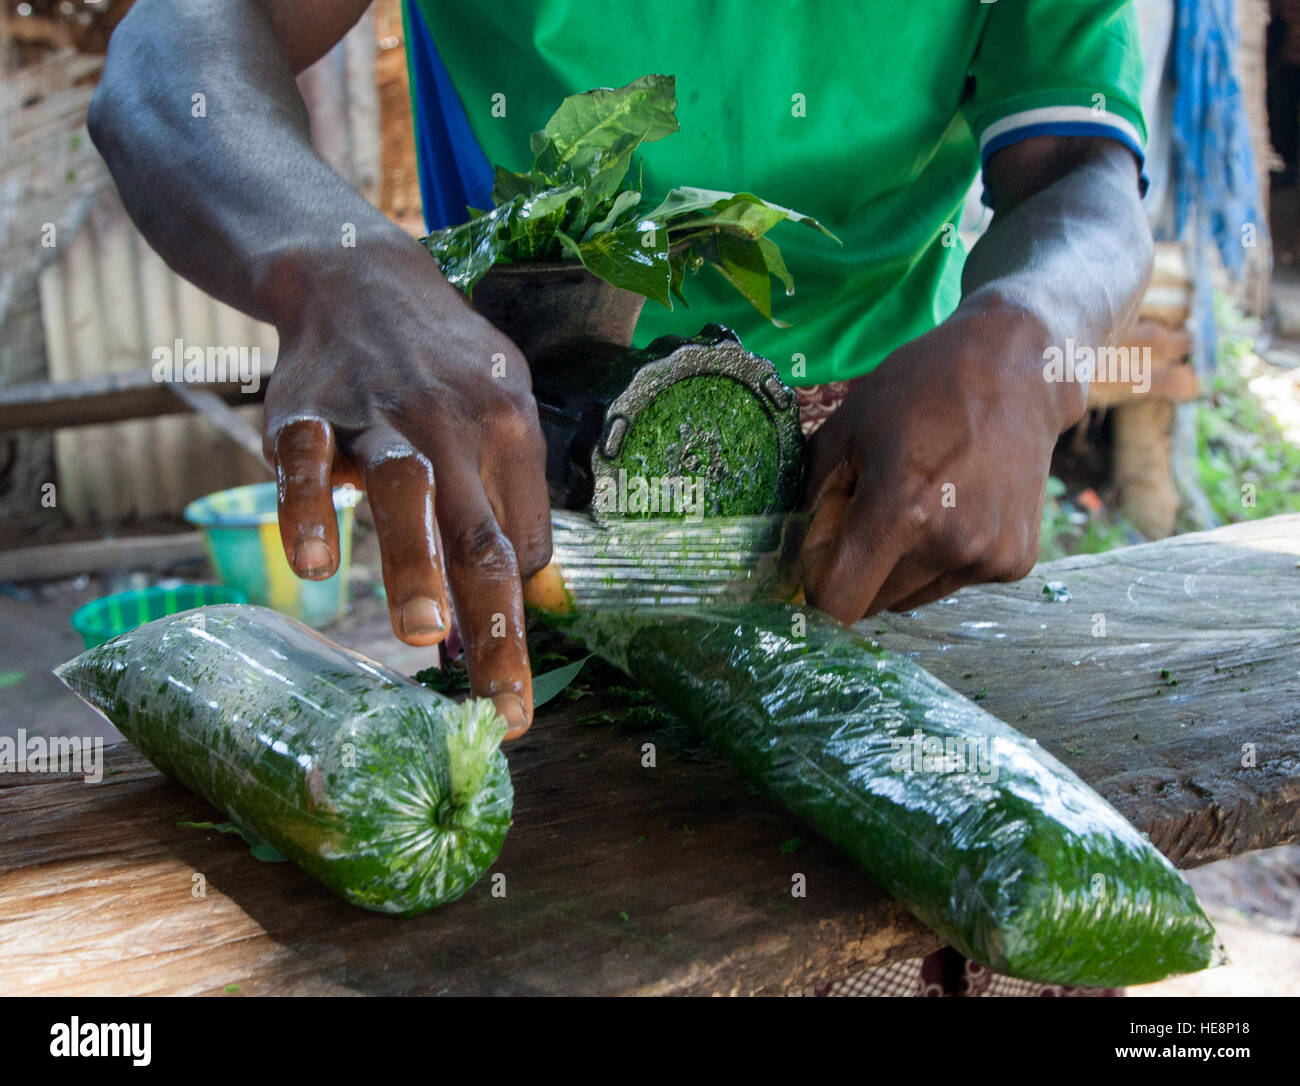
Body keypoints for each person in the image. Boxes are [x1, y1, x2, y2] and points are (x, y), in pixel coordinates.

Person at [87, 0, 1149, 739]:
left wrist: (1025, 336)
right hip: (541, 521)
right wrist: (337, 271)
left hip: (893, 506)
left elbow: (1077, 166)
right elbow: (169, 49)